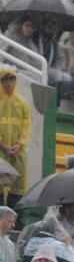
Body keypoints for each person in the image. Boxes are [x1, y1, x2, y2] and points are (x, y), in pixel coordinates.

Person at [0, 66, 31, 204]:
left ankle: (13, 222)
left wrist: (19, 144)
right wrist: (3, 146)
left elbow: (26, 127)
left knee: (17, 191)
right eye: (5, 79)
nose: (9, 83)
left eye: (12, 78)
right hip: (1, 151)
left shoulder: (22, 104)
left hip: (18, 153)